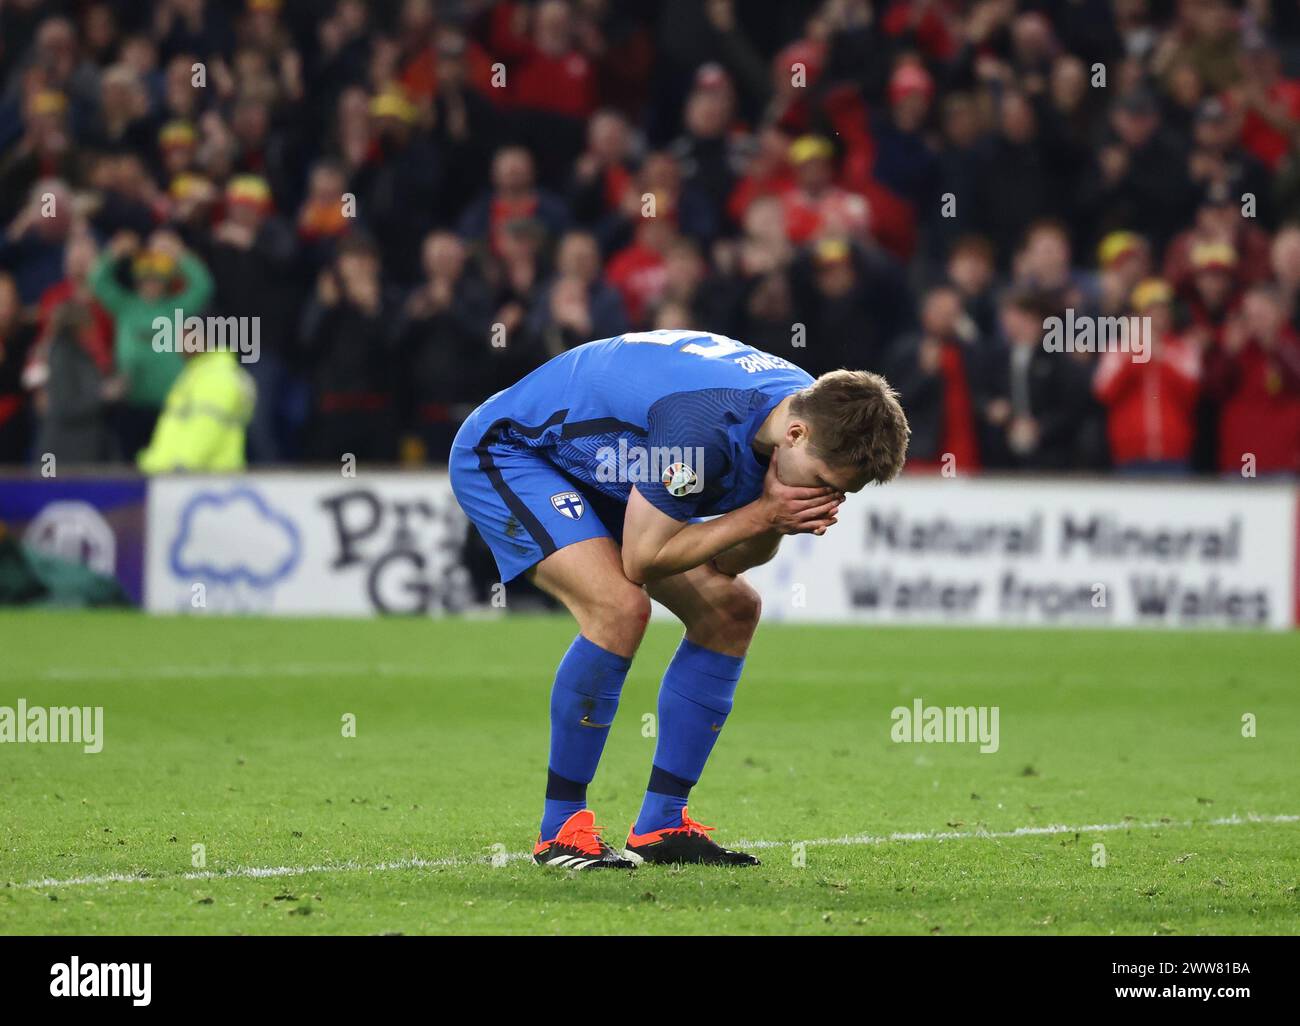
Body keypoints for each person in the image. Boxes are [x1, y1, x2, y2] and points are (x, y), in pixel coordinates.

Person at [448, 328, 910, 868]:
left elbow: (728, 562)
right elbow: (642, 560)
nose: (824, 496)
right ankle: (561, 830)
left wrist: (774, 516)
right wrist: (765, 513)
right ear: (796, 433)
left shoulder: (804, 421)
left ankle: (661, 825)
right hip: (519, 450)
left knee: (732, 611)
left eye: (838, 494)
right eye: (822, 481)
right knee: (619, 607)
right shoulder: (699, 429)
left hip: (613, 465)